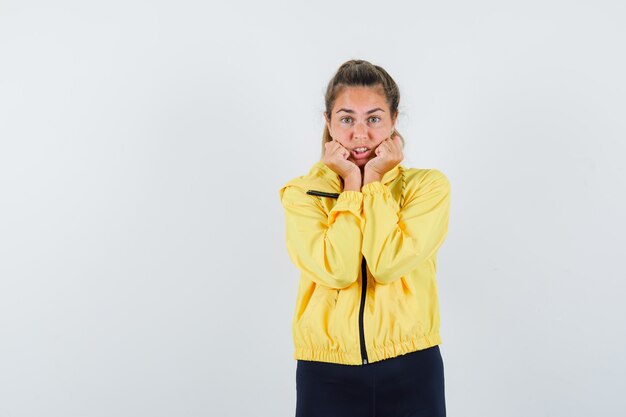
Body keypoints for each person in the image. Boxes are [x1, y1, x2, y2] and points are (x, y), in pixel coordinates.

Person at [278, 59, 451, 417]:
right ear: (328, 123)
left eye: (373, 119)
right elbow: (337, 271)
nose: (360, 134)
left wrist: (372, 181)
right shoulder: (302, 193)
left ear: (393, 121)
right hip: (325, 373)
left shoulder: (427, 187)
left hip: (412, 367)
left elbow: (387, 264)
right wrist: (351, 189)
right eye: (346, 119)